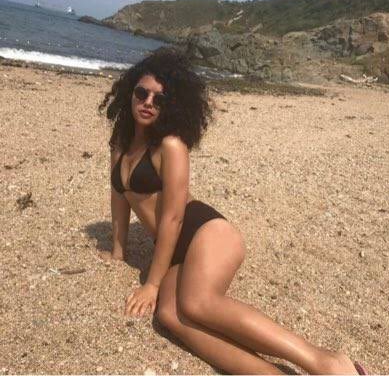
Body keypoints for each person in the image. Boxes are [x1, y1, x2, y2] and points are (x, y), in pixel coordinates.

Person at [98, 48, 367, 375]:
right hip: (175, 250)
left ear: (171, 106)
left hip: (205, 232)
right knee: (170, 315)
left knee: (197, 303)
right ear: (131, 92)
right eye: (142, 93)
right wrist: (118, 251)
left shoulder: (170, 145)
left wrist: (153, 283)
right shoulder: (121, 142)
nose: (148, 102)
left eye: (159, 99)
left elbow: (174, 217)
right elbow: (120, 195)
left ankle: (327, 362)